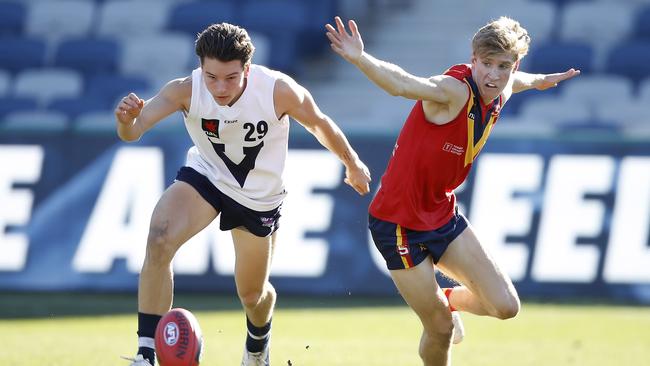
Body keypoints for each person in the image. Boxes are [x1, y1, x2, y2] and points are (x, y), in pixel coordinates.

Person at [326, 15, 579, 366]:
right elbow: (403, 84)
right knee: (441, 327)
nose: (493, 74)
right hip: (397, 221)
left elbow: (517, 81)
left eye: (502, 66)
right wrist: (360, 57)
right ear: (473, 59)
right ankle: (442, 311)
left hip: (441, 212)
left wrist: (540, 81)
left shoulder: (502, 85)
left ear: (513, 64)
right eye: (486, 64)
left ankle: (447, 297)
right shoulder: (453, 90)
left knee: (506, 307)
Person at [115, 22, 371, 366]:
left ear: (247, 68)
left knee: (253, 294)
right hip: (206, 176)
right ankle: (146, 354)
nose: (220, 87)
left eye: (231, 77)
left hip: (258, 197)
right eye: (211, 77)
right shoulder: (184, 90)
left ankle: (257, 343)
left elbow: (319, 123)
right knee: (160, 237)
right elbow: (133, 131)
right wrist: (125, 120)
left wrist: (352, 163)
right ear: (200, 67)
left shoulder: (278, 90)